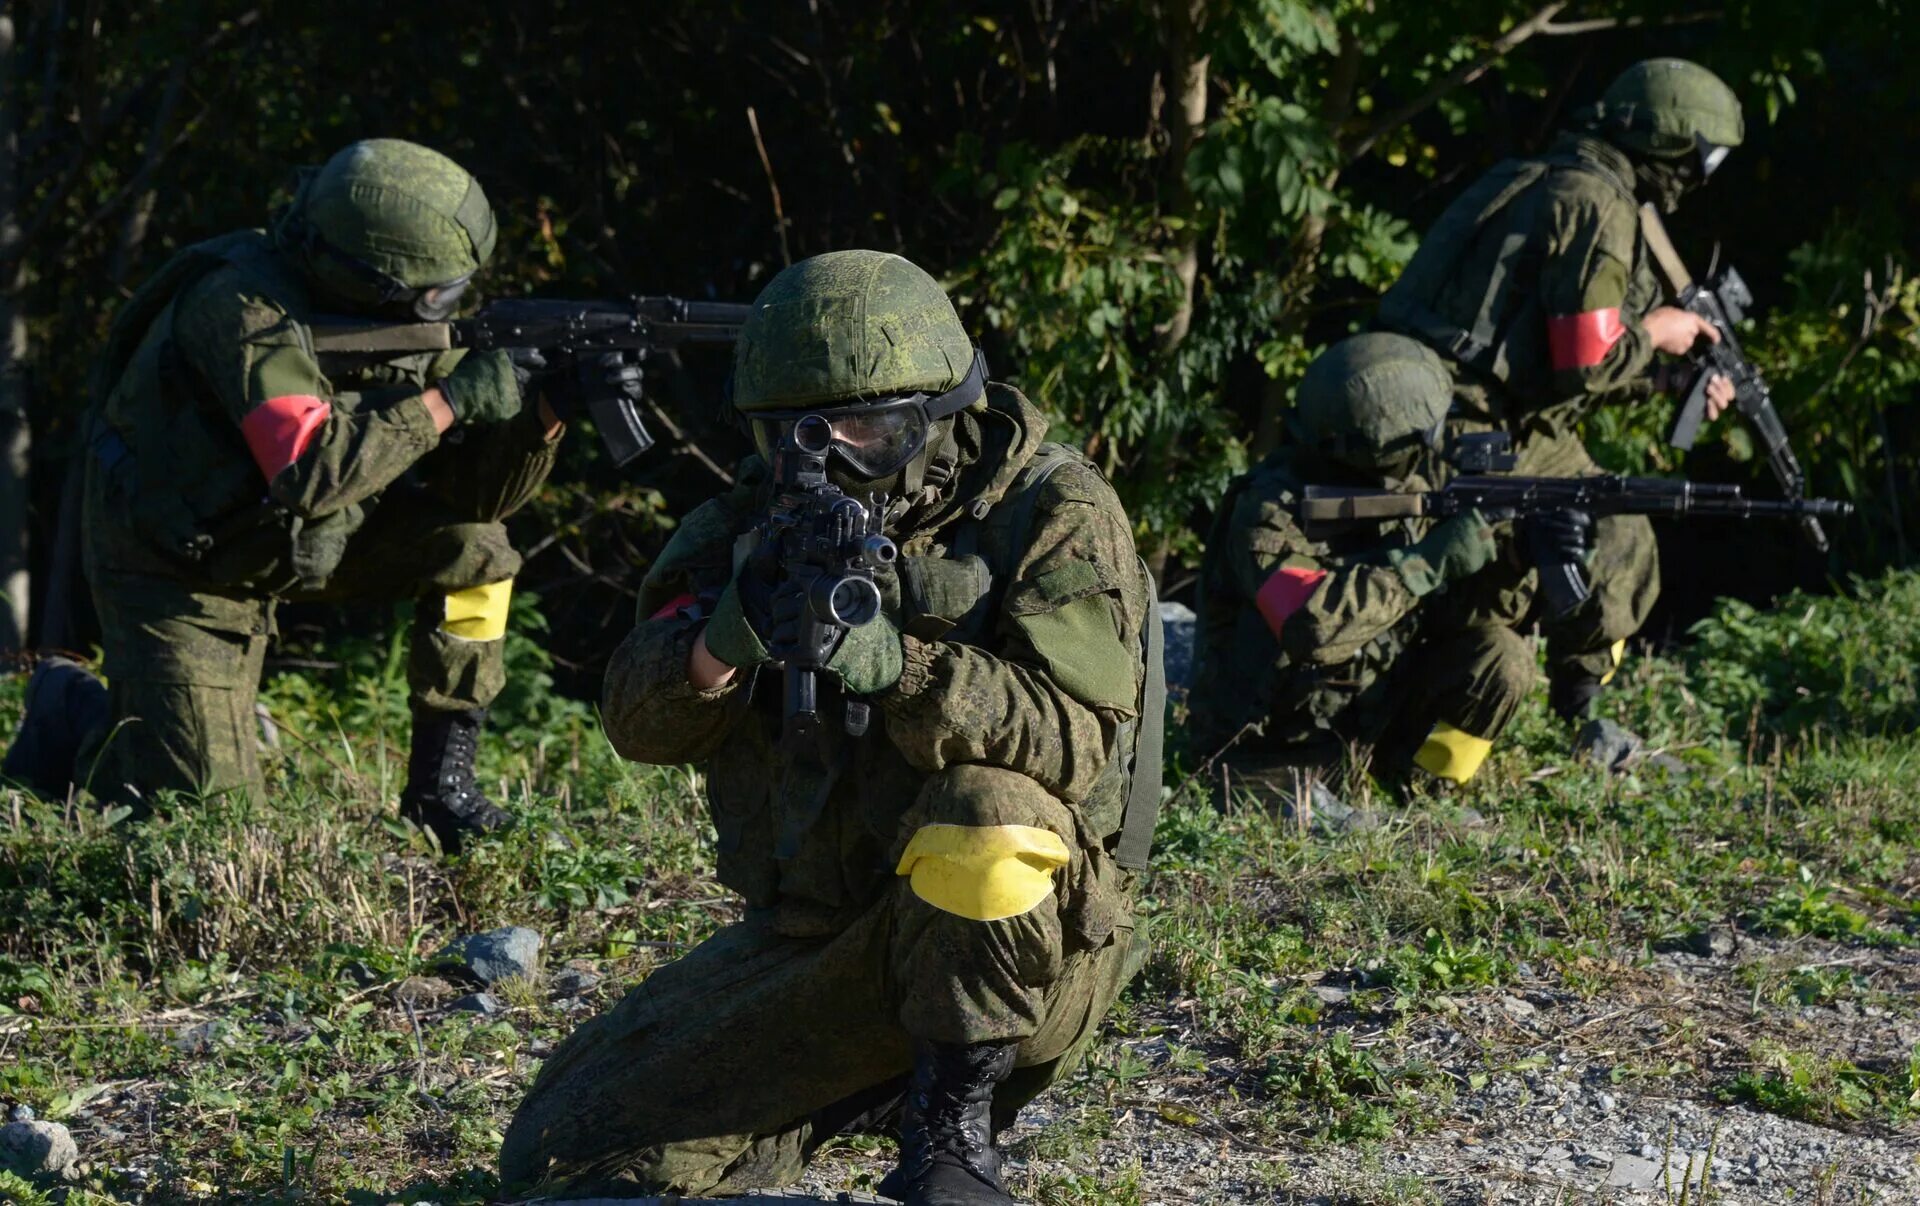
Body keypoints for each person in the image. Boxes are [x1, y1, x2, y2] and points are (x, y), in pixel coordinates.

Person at [501, 249, 1162, 1205]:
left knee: (987, 808)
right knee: (560, 1154)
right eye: (799, 436)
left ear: (942, 417)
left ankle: (951, 1134)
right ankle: (820, 1109)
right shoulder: (744, 523)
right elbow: (638, 725)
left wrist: (908, 669)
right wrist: (727, 636)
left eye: (872, 431)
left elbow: (1079, 739)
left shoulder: (1049, 511)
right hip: (822, 946)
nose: (833, 459)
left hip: (1027, 954)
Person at [3, 138, 622, 851]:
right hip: (175, 566)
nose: (451, 307)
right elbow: (309, 472)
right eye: (438, 295)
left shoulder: (386, 315)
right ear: (366, 280)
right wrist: (449, 399)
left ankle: (440, 792)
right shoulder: (239, 308)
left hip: (294, 536)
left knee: (478, 552)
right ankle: (73, 713)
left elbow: (477, 501)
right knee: (211, 834)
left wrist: (546, 413)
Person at [1376, 58, 1742, 726]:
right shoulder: (1597, 202)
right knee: (1617, 535)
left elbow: (1543, 360)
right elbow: (1586, 357)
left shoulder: (1533, 174)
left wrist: (1667, 380)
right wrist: (1658, 331)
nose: (1701, 177)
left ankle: (1556, 712)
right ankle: (1563, 717)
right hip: (1471, 430)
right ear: (1669, 143)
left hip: (1443, 409)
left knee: (1616, 529)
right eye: (1702, 158)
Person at [1189, 333, 1538, 805]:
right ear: (1380, 446)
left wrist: (1515, 560)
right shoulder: (1269, 512)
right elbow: (1311, 627)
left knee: (1503, 658)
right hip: (1265, 759)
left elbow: (1458, 619)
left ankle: (1424, 794)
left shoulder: (1413, 485)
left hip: (1376, 728)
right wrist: (1426, 563)